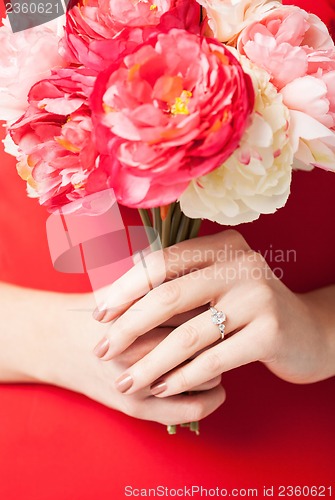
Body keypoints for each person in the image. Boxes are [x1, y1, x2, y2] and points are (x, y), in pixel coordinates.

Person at [0, 2, 335, 499]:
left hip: (298, 454)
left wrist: (324, 329)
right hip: (40, 457)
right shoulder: (36, 16)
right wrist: (44, 338)